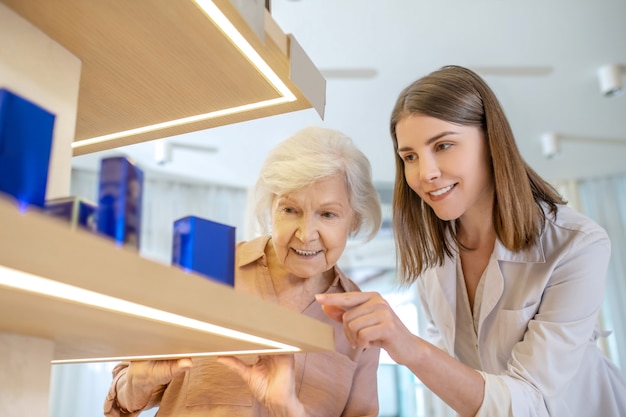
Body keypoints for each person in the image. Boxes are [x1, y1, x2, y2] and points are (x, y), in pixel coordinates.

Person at [316, 65, 626, 417]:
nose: (425, 173)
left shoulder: (577, 245)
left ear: (491, 142)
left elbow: (531, 402)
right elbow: (452, 364)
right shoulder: (433, 252)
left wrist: (407, 346)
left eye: (444, 145)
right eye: (409, 157)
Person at [103, 126, 383, 417]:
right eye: (290, 210)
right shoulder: (206, 268)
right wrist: (138, 382)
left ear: (354, 219)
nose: (306, 234)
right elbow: (123, 398)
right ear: (271, 206)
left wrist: (289, 411)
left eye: (327, 214)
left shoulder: (362, 320)